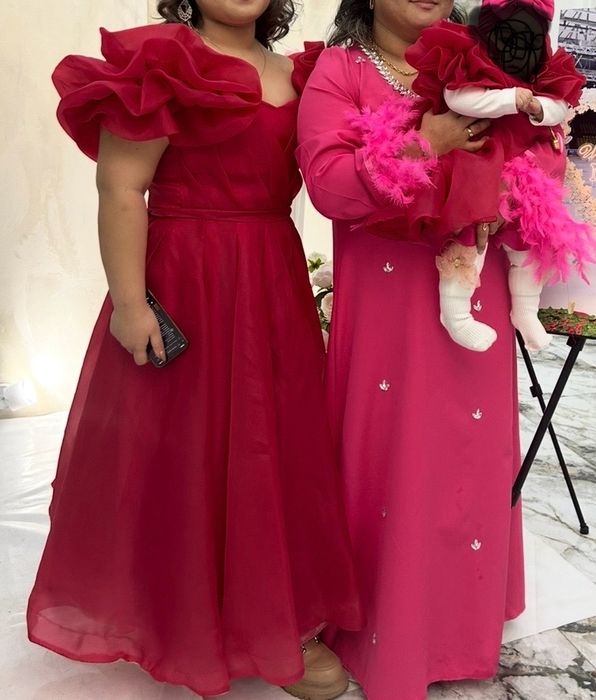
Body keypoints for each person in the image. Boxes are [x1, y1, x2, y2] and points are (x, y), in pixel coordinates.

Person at [27, 2, 362, 698]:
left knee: (277, 446)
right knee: (182, 450)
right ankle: (175, 616)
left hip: (271, 279)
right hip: (186, 280)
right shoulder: (162, 64)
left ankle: (280, 620)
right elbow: (121, 185)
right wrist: (129, 303)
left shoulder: (306, 75)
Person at [297, 0, 526, 698]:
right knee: (395, 449)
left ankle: (461, 626)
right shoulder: (340, 71)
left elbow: (528, 164)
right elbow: (327, 186)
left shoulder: (485, 64)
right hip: (388, 304)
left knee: (472, 447)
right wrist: (426, 142)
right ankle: (386, 630)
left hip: (476, 290)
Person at [403, 0, 592, 353]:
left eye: (529, 39)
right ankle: (456, 314)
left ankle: (526, 310)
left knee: (531, 243)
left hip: (526, 172)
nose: (517, 49)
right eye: (507, 37)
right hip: (479, 161)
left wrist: (538, 107)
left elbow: (561, 105)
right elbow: (457, 98)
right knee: (467, 240)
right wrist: (510, 100)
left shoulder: (544, 69)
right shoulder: (472, 59)